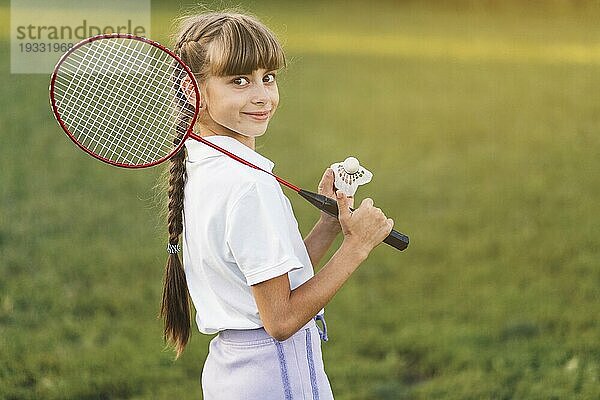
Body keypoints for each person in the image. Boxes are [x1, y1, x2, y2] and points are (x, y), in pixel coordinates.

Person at [159, 11, 394, 399]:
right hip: (274, 373)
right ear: (192, 89)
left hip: (232, 370)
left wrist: (327, 226)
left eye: (268, 77)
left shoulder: (198, 165)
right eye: (239, 81)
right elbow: (281, 319)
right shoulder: (248, 186)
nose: (261, 95)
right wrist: (357, 247)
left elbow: (267, 280)